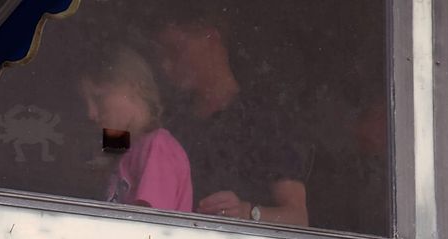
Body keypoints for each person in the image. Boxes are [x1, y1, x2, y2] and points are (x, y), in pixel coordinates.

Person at [157, 7, 309, 226]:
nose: (165, 64)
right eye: (162, 55)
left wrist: (247, 212)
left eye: (175, 50)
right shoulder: (170, 120)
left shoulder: (265, 119)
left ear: (211, 38)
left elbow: (298, 218)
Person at [82, 46, 193, 213]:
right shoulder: (124, 147)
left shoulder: (157, 146)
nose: (91, 113)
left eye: (99, 98)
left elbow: (148, 227)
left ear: (132, 87)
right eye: (87, 103)